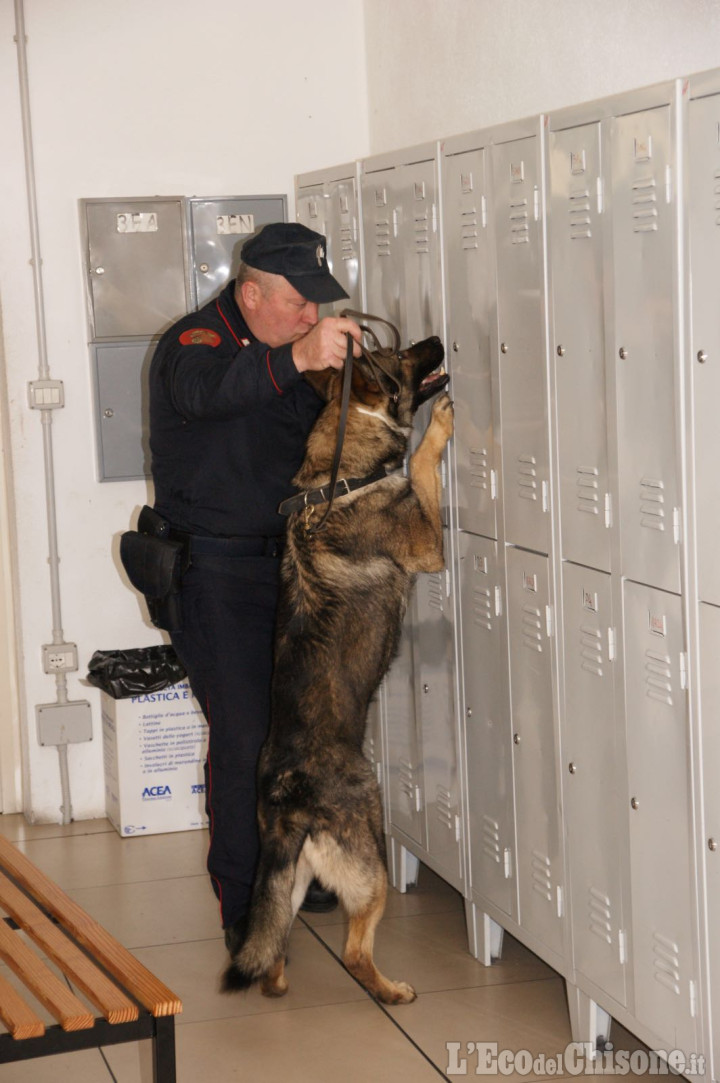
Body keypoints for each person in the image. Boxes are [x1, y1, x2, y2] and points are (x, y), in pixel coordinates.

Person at [147, 223, 363, 951]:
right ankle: (244, 903)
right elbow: (212, 396)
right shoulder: (194, 345)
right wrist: (300, 356)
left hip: (290, 567)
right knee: (244, 739)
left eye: (317, 306)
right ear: (250, 294)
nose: (311, 317)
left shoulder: (284, 355)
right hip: (213, 574)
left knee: (302, 735)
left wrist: (360, 375)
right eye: (299, 304)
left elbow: (319, 427)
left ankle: (296, 865)